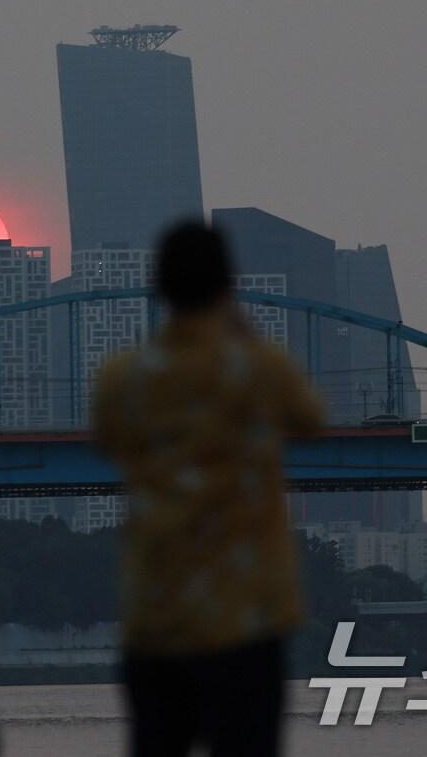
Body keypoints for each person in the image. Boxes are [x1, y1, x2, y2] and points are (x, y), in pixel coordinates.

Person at [93, 222, 325, 757]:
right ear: (229, 285)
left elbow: (107, 441)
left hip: (156, 620)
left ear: (158, 288)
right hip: (246, 620)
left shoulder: (121, 379)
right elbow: (310, 419)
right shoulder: (258, 368)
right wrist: (240, 336)